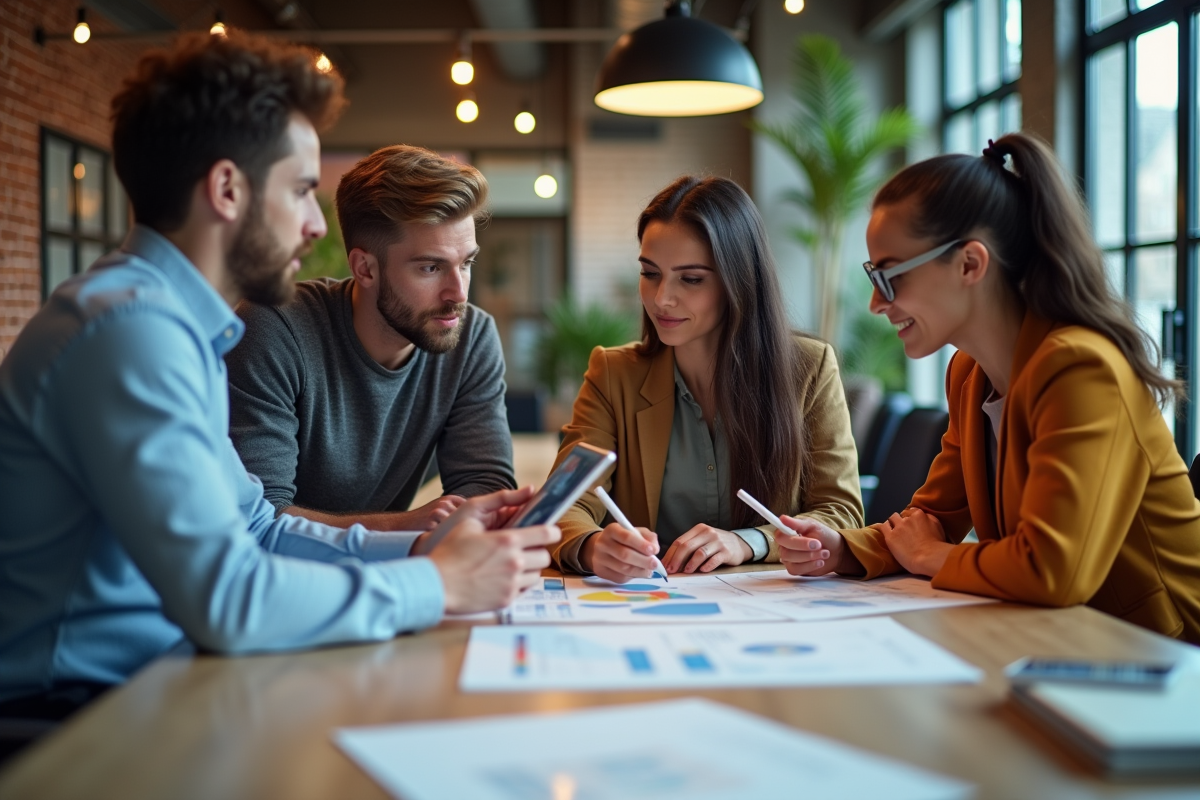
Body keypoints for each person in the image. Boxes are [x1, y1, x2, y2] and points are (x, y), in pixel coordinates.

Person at [0, 32, 557, 718]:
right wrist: (432, 584)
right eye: (299, 191)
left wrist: (422, 544)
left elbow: (259, 530)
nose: (308, 226)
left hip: (157, 687)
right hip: (70, 720)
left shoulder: (174, 326)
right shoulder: (129, 333)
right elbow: (228, 600)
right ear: (228, 189)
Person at [779, 133, 1200, 644]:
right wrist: (842, 549)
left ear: (970, 264)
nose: (875, 303)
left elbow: (1053, 571)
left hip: (1164, 656)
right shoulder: (970, 373)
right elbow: (932, 516)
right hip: (1060, 639)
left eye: (889, 277)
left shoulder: (1083, 368)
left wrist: (934, 557)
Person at [549, 175, 864, 582]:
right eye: (650, 273)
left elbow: (841, 512)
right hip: (648, 608)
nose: (662, 298)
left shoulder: (809, 368)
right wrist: (593, 547)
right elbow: (564, 502)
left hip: (771, 610)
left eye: (691, 279)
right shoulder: (613, 374)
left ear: (739, 280)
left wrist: (749, 541)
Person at [226, 145, 516, 532]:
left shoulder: (470, 336)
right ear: (365, 268)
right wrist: (405, 528)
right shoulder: (274, 329)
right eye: (431, 267)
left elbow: (485, 490)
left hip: (389, 575)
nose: (458, 294)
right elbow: (258, 520)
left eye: (466, 264)